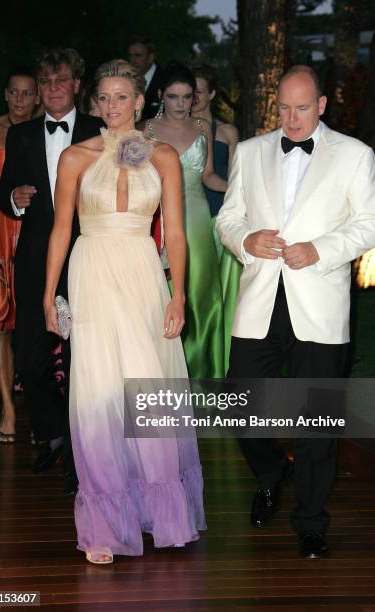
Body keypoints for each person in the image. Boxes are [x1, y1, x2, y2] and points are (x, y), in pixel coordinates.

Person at [43, 59, 206, 564]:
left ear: (140, 102)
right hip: (91, 273)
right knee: (96, 394)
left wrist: (178, 294)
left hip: (141, 274)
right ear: (95, 103)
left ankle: (158, 514)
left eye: (122, 97)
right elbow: (59, 231)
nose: (112, 107)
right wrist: (49, 297)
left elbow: (174, 233)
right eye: (104, 98)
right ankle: (104, 526)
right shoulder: (74, 157)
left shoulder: (163, 157)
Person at [216, 65, 375, 559]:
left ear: (322, 105)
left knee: (317, 423)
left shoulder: (355, 155)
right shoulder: (250, 151)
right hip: (260, 301)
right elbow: (227, 217)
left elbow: (369, 225)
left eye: (303, 107)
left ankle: (310, 520)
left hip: (320, 304)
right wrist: (246, 239)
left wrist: (321, 249)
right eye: (284, 107)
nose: (292, 117)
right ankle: (271, 472)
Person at [0, 48, 103, 489]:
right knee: (31, 360)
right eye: (46, 83)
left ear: (77, 85)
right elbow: (3, 194)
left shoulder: (102, 130)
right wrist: (14, 200)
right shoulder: (20, 136)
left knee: (85, 357)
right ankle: (55, 434)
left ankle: (82, 454)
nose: (53, 89)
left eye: (61, 81)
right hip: (37, 260)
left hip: (89, 259)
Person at [143, 62, 227, 379]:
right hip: (159, 219)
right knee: (163, 295)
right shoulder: (143, 130)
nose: (181, 104)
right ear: (161, 96)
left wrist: (241, 191)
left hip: (198, 217)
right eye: (174, 97)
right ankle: (166, 374)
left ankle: (204, 376)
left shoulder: (203, 128)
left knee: (203, 297)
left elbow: (208, 176)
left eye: (187, 97)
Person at [0, 69, 39, 441]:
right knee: (0, 318)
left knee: (33, 318)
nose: (19, 100)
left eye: (26, 93)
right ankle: (9, 411)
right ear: (5, 94)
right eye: (13, 92)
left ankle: (40, 411)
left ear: (37, 97)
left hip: (33, 228)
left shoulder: (42, 132)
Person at [191, 63, 241, 370]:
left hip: (221, 218)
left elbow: (237, 176)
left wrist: (239, 197)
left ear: (211, 93)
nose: (193, 97)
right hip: (191, 220)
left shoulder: (228, 131)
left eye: (198, 90)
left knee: (223, 297)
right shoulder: (177, 130)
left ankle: (221, 364)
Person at [128, 36, 162, 120]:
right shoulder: (125, 79)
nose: (133, 60)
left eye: (138, 55)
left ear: (150, 57)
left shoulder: (165, 79)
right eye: (130, 56)